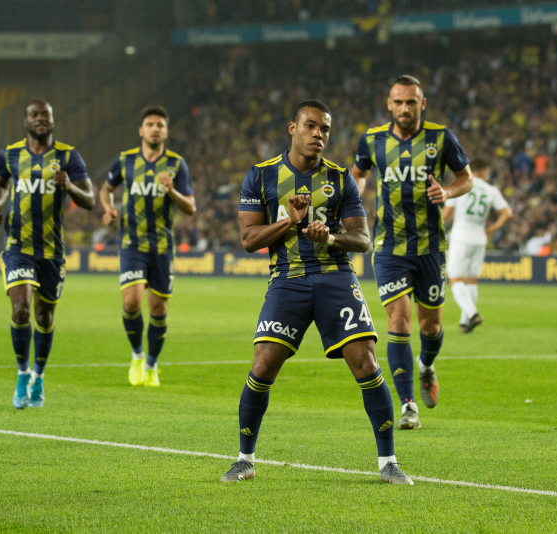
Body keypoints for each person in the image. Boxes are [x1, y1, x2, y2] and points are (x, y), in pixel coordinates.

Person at [219, 100, 412, 485]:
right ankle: (244, 459)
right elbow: (248, 239)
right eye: (310, 126)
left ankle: (388, 461)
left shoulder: (340, 179)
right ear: (293, 128)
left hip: (335, 277)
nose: (318, 134)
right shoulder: (261, 176)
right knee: (262, 364)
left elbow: (362, 239)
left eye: (324, 128)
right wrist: (289, 222)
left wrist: (332, 237)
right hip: (287, 279)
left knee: (367, 362)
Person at [352, 75, 473, 430]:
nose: (405, 108)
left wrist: (447, 192)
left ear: (422, 104)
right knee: (398, 320)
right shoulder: (372, 139)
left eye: (411, 102)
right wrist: (354, 194)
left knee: (430, 326)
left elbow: (466, 178)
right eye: (399, 102)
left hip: (430, 246)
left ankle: (426, 365)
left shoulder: (441, 138)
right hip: (389, 246)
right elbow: (359, 174)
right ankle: (408, 406)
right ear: (389, 104)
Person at [0, 100, 95, 409]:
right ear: (25, 121)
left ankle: (39, 375)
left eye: (45, 114)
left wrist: (70, 187)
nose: (40, 119)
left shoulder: (68, 156)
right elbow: (1, 185)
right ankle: (23, 374)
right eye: (34, 115)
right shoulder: (10, 154)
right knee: (20, 310)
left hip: (51, 250)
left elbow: (89, 199)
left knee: (44, 316)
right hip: (18, 246)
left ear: (52, 119)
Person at [100, 105, 196, 387]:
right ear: (141, 130)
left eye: (160, 125)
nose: (155, 129)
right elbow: (105, 189)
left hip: (162, 247)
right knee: (131, 301)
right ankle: (137, 355)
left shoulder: (177, 164)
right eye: (150, 124)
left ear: (166, 131)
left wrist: (172, 191)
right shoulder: (126, 160)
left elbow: (191, 207)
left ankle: (152, 365)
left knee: (158, 309)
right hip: (132, 243)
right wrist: (108, 208)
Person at [442, 159, 512, 332]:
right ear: (481, 170)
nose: (488, 173)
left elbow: (447, 214)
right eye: (487, 170)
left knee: (455, 278)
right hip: (479, 239)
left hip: (460, 238)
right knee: (472, 280)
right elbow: (507, 213)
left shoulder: (460, 186)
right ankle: (465, 321)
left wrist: (438, 230)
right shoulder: (491, 190)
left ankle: (472, 313)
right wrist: (492, 229)